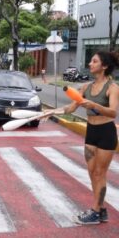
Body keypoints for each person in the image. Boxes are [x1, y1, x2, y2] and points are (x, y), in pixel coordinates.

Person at [44, 51, 119, 225]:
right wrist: (50, 111)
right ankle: (100, 210)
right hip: (91, 131)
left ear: (104, 66)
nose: (90, 63)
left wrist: (94, 105)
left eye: (94, 61)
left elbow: (113, 112)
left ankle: (95, 211)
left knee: (100, 173)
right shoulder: (85, 87)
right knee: (92, 173)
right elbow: (70, 108)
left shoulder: (113, 88)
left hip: (106, 132)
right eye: (91, 61)